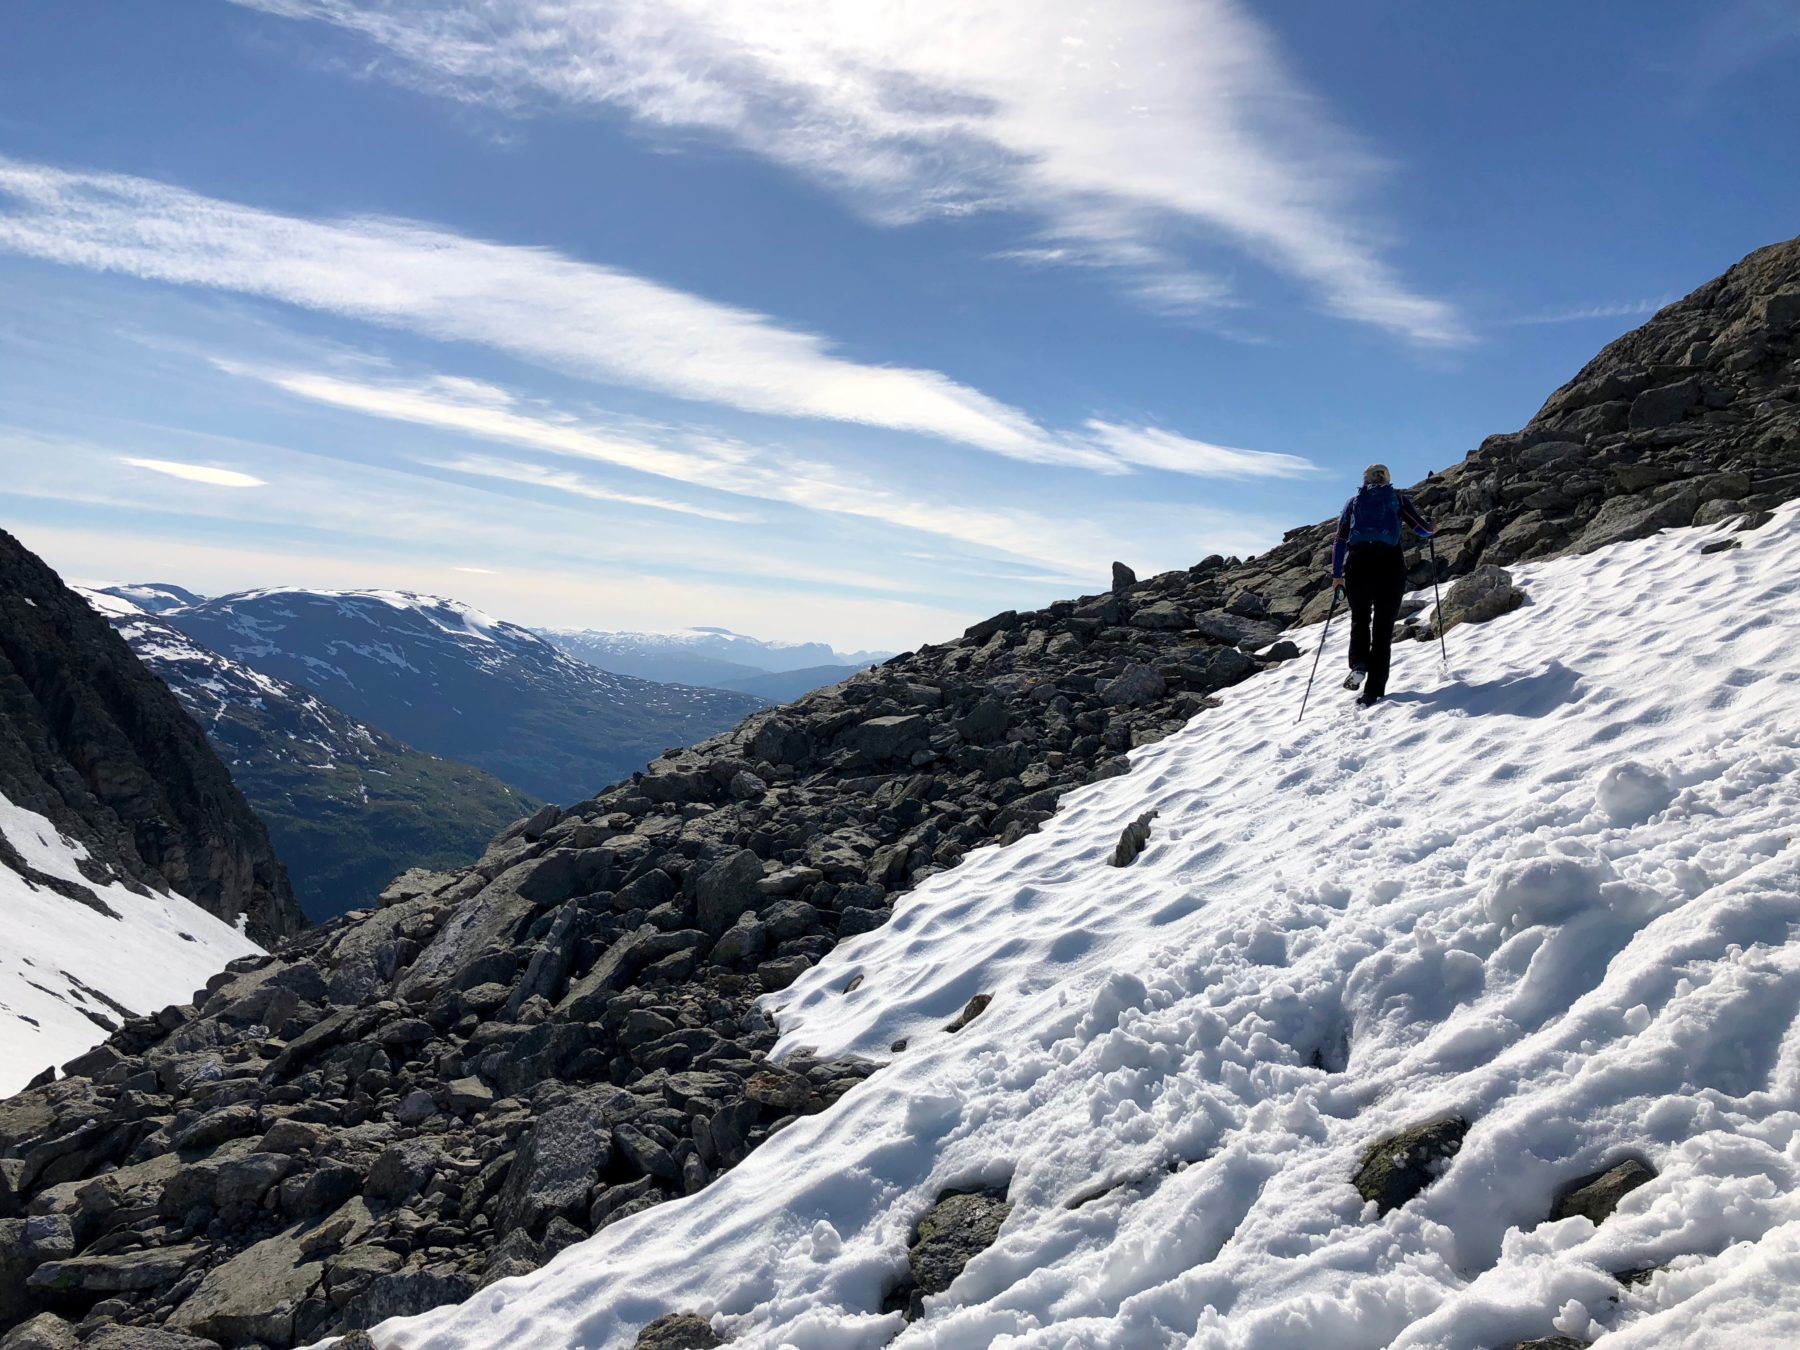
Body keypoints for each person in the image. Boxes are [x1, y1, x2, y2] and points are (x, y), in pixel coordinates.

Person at [1331, 464, 1435, 707]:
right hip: (1389, 565)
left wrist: (1337, 575)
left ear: (1365, 480)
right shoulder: (1397, 499)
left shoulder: (1353, 501)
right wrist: (1433, 530)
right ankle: (1372, 691)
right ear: (1387, 479)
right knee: (1383, 628)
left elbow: (1340, 538)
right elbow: (1420, 529)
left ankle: (1358, 664)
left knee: (1359, 619)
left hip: (1358, 564)